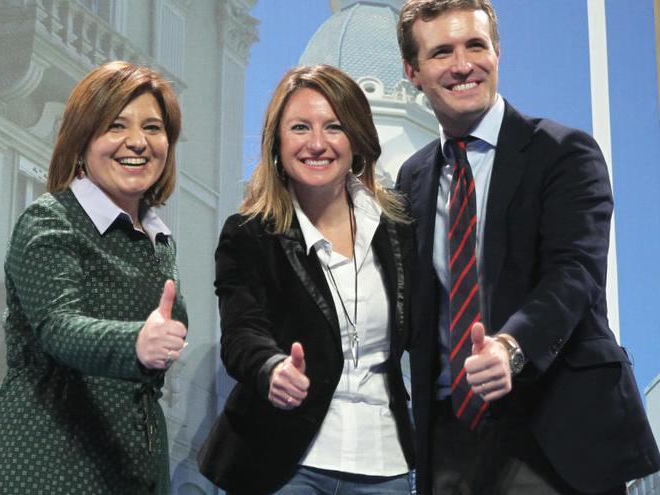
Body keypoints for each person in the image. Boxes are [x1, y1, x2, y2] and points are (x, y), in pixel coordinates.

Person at [394, 1, 660, 493]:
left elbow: (574, 272)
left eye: (476, 45)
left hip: (555, 427)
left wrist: (511, 348)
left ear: (496, 51)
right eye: (442, 52)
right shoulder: (413, 177)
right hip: (451, 437)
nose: (462, 65)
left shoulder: (563, 151)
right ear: (412, 70)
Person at [199, 64, 415, 494]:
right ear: (277, 143)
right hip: (284, 463)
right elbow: (242, 331)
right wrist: (271, 367)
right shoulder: (249, 234)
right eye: (300, 127)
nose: (317, 143)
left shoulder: (399, 229)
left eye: (334, 127)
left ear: (358, 140)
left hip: (384, 463)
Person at [0, 61, 188, 494]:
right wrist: (136, 342)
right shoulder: (50, 219)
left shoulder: (159, 239)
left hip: (132, 466)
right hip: (47, 464)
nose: (138, 142)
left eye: (153, 127)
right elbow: (58, 325)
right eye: (116, 126)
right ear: (82, 139)